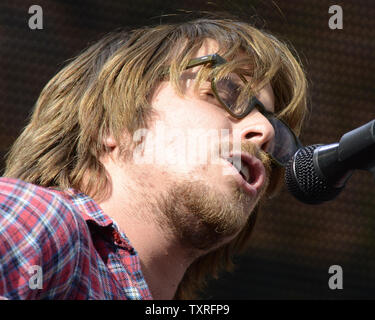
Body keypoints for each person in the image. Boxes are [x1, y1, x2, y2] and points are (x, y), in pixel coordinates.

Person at [0, 16, 307, 300]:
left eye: (277, 132)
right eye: (226, 91)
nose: (264, 130)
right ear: (114, 124)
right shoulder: (41, 218)